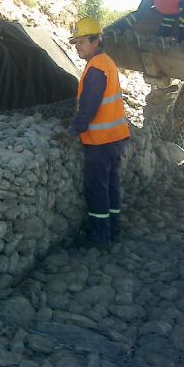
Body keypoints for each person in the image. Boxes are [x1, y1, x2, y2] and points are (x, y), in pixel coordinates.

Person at [67, 17, 131, 246]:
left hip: (100, 141)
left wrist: (72, 132)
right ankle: (114, 230)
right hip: (115, 138)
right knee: (111, 186)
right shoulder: (106, 62)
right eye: (76, 42)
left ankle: (100, 237)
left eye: (82, 42)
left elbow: (88, 107)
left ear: (96, 41)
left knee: (97, 188)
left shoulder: (96, 69)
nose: (78, 47)